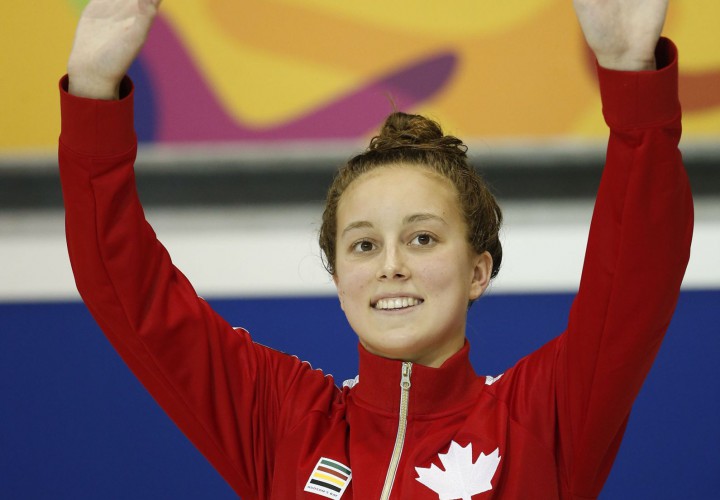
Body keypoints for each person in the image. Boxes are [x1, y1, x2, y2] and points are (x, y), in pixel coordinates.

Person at [59, 0, 693, 498]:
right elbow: (134, 297)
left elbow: (637, 277)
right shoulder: (284, 422)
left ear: (478, 270)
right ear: (339, 278)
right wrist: (92, 90)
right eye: (364, 244)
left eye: (422, 238)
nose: (392, 265)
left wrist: (632, 80)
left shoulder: (541, 417)